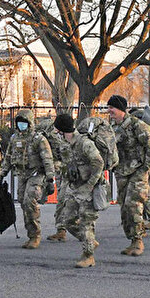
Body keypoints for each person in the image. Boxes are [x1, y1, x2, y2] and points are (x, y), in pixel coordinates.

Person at [0, 109, 56, 249]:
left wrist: (50, 179)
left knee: (30, 201)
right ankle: (30, 234)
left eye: (24, 122)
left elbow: (47, 160)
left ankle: (35, 235)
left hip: (36, 174)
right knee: (23, 202)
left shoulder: (39, 139)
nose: (22, 125)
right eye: (19, 123)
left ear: (30, 123)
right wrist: (1, 174)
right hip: (22, 175)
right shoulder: (14, 138)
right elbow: (9, 158)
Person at [108, 95, 150, 257]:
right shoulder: (112, 127)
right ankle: (132, 239)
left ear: (121, 110)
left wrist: (147, 168)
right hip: (121, 172)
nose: (109, 111)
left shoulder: (137, 125)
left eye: (112, 108)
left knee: (133, 205)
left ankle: (138, 241)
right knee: (124, 208)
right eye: (108, 108)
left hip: (138, 171)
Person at [52, 114, 104, 268]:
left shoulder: (84, 143)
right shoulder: (64, 145)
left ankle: (88, 256)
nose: (55, 131)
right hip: (75, 187)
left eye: (57, 128)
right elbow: (67, 165)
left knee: (86, 221)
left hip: (89, 187)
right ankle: (89, 241)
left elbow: (99, 163)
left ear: (62, 129)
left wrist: (90, 184)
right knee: (66, 220)